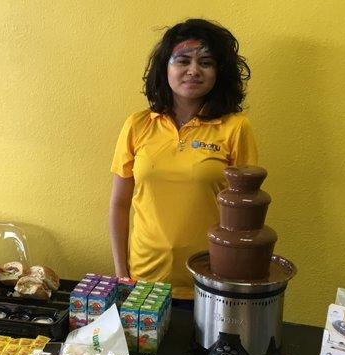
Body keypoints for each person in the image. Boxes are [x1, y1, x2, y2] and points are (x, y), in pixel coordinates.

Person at [109, 18, 257, 299]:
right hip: (142, 280)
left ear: (218, 72)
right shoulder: (137, 125)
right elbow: (119, 204)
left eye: (206, 62)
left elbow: (244, 216)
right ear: (165, 67)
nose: (193, 70)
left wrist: (234, 280)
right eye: (183, 60)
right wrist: (121, 274)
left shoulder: (235, 128)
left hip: (210, 282)